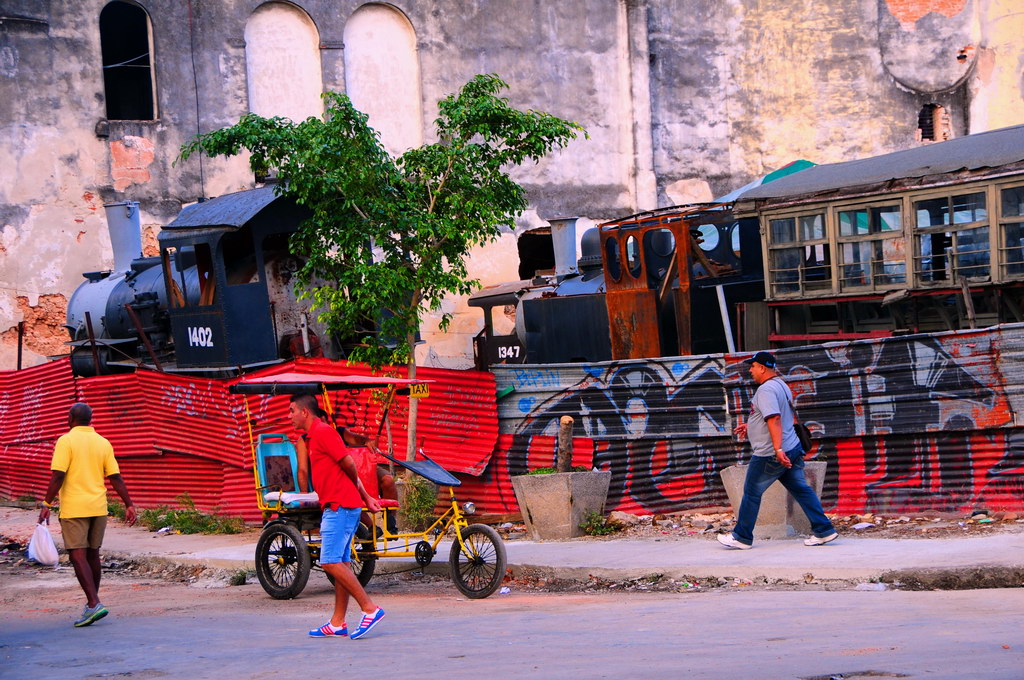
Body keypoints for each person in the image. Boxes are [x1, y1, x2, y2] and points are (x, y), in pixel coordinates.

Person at [717, 351, 838, 550]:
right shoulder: (781, 385)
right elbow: (777, 415)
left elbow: (774, 418)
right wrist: (752, 426)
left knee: (751, 492)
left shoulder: (765, 390)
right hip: (792, 447)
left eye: (753, 366)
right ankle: (824, 530)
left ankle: (741, 537)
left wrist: (777, 449)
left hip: (770, 453)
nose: (750, 370)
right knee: (801, 488)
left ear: (762, 368)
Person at [289, 394, 386, 640]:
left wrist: (363, 496)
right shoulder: (311, 438)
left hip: (340, 506)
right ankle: (337, 622)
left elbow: (349, 465)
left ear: (304, 412)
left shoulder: (323, 433)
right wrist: (364, 498)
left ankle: (369, 608)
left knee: (329, 561)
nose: (289, 416)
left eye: (292, 411)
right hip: (340, 505)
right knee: (340, 563)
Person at [37, 403, 137, 627]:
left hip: (75, 508)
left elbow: (58, 476)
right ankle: (92, 604)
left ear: (70, 418)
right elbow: (115, 477)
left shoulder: (66, 441)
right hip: (98, 508)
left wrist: (46, 503)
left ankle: (94, 603)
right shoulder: (103, 442)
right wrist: (129, 504)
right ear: (90, 419)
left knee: (77, 555)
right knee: (93, 554)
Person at [294, 408, 399, 534]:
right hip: (335, 476)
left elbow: (356, 439)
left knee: (388, 480)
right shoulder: (305, 440)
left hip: (359, 467)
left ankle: (391, 523)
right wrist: (304, 492)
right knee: (348, 490)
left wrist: (367, 442)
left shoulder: (337, 432)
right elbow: (303, 470)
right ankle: (371, 527)